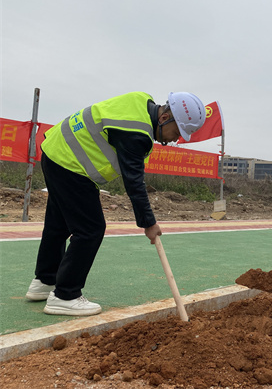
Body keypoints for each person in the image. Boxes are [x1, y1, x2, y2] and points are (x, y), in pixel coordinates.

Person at [25, 92, 206, 316]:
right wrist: (149, 223)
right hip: (70, 165)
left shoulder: (141, 102)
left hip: (55, 152)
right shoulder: (136, 133)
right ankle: (65, 295)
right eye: (176, 133)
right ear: (164, 118)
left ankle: (44, 281)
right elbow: (134, 183)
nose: (174, 140)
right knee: (90, 229)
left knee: (58, 224)